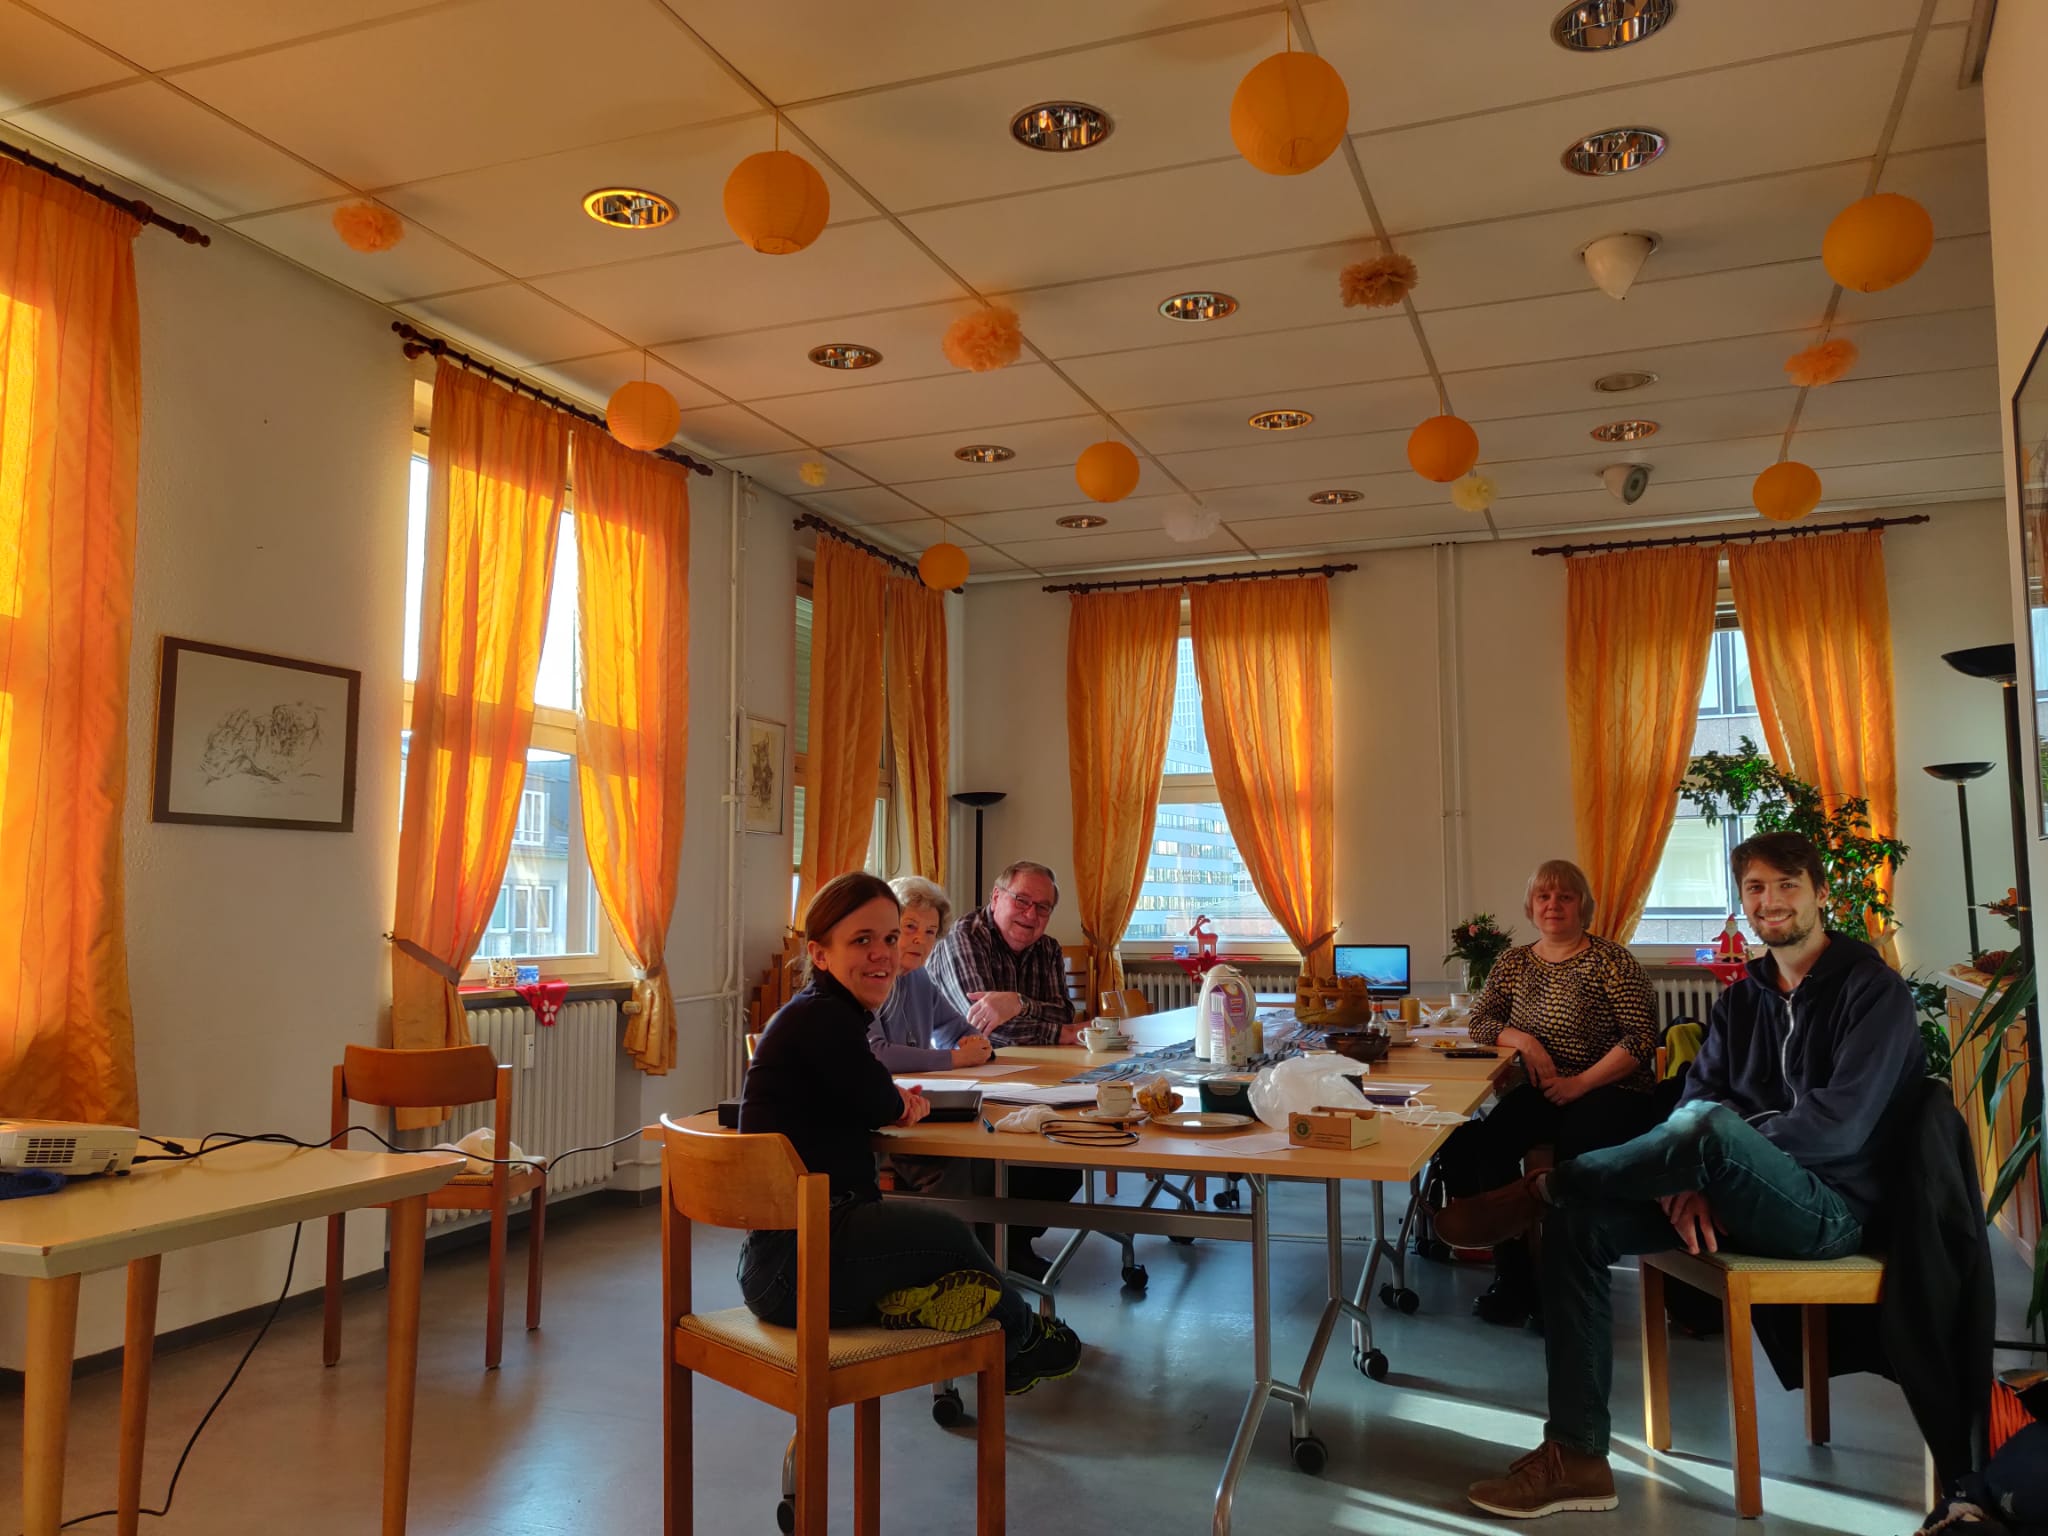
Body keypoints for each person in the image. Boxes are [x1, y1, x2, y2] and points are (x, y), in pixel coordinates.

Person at [1435, 832, 1925, 1518]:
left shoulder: (1874, 992)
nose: (1771, 901)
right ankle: (1577, 1457)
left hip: (1828, 1210)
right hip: (1731, 1193)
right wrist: (1689, 1173)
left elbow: (1838, 1126)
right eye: (1755, 888)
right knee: (1580, 1226)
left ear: (1820, 893)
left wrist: (1713, 1155)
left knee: (1706, 1130)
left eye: (1787, 885)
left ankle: (1543, 1188)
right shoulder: (1743, 999)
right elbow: (1698, 1091)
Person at [738, 871, 1082, 1396]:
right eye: (862, 940)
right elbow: (881, 1099)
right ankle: (1023, 1339)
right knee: (947, 1233)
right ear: (820, 955)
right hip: (800, 1269)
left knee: (933, 1239)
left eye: (890, 937)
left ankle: (924, 1309)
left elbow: (869, 1092)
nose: (885, 953)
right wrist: (895, 1099)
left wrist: (890, 1097)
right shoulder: (826, 1020)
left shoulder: (824, 1014)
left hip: (788, 1258)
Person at [1439, 859, 1661, 1328]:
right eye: (1544, 896)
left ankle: (1567, 1290)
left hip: (1613, 1089)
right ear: (1531, 906)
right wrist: (1525, 1041)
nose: (1553, 905)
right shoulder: (1515, 962)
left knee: (1573, 1161)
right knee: (1489, 1146)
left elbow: (1641, 1039)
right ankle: (1514, 1279)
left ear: (1583, 906)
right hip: (1545, 1090)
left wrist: (1581, 1082)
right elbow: (1481, 1021)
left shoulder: (1612, 960)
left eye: (1565, 896)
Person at [924, 861, 1086, 1277]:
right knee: (1033, 1146)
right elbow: (986, 1030)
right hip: (957, 1082)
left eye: (1043, 907)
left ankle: (1011, 1244)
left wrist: (1017, 1002)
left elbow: (1063, 1012)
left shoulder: (1048, 949)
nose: (1031, 914)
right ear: (996, 897)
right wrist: (1052, 1029)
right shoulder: (963, 938)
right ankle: (984, 1252)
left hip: (1029, 1074)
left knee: (1071, 1146)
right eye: (1022, 900)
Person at [867, 875, 991, 1073]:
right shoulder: (866, 978)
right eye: (910, 927)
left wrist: (976, 1043)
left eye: (930, 932)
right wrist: (956, 1058)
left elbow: (956, 1029)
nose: (921, 940)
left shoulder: (920, 977)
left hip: (916, 1088)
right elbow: (874, 1054)